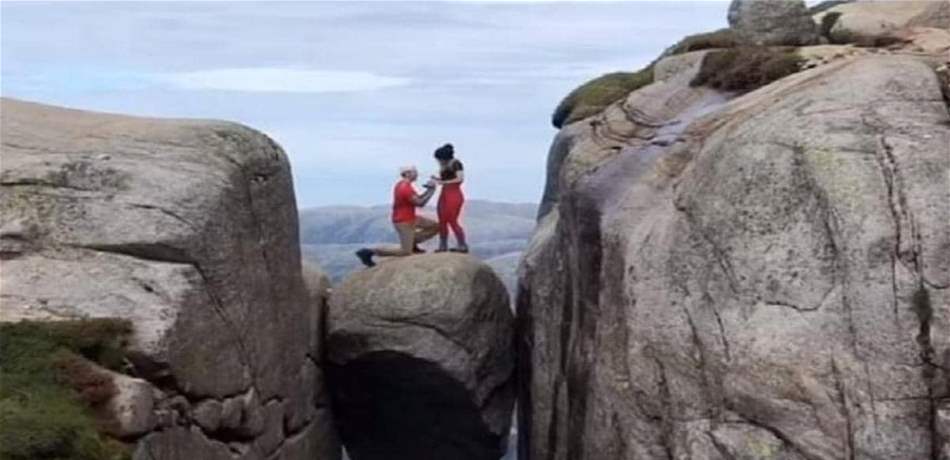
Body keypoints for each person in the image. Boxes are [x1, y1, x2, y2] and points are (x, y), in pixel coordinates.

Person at [355, 165, 439, 267]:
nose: (417, 174)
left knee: (435, 226)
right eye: (414, 172)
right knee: (405, 251)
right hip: (404, 221)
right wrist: (432, 191)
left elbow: (418, 198)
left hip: (411, 218)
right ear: (407, 174)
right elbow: (420, 203)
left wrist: (429, 190)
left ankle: (412, 242)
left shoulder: (404, 185)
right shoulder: (405, 188)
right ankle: (369, 252)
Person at [431, 143, 468, 253]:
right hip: (445, 193)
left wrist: (443, 182)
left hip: (454, 193)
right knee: (442, 219)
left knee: (452, 219)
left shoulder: (456, 163)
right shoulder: (444, 166)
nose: (438, 161)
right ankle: (443, 245)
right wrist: (437, 180)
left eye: (439, 159)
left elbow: (460, 179)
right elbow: (446, 179)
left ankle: (462, 244)